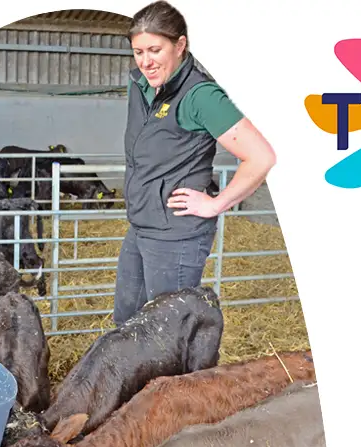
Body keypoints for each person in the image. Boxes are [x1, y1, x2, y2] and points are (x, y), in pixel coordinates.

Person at [114, 1, 277, 325]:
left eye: (155, 50)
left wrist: (216, 204)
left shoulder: (200, 96)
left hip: (177, 234)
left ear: (180, 46)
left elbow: (261, 156)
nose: (145, 61)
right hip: (142, 224)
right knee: (126, 323)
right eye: (138, 52)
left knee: (166, 331)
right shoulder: (140, 85)